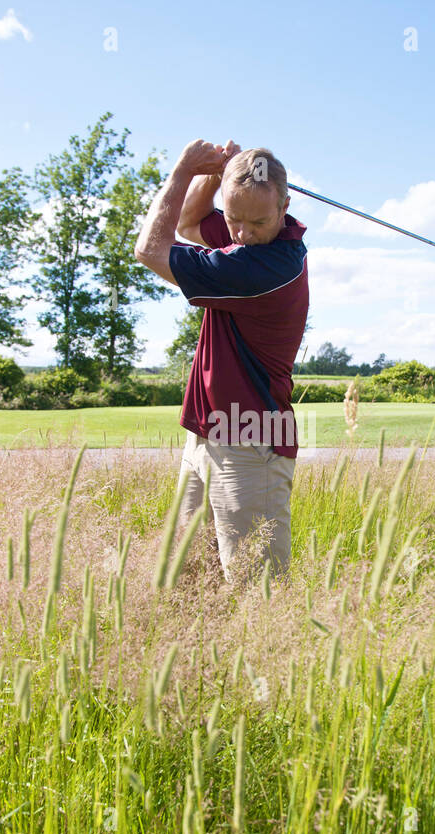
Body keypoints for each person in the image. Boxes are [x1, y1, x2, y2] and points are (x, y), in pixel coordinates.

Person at [134, 139, 309, 585]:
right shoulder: (248, 242)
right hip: (208, 435)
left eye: (258, 221)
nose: (243, 234)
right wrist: (215, 175)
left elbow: (150, 250)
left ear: (286, 205)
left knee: (257, 592)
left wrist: (183, 169)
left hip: (251, 439)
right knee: (190, 579)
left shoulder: (265, 267)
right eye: (233, 219)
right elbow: (192, 222)